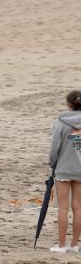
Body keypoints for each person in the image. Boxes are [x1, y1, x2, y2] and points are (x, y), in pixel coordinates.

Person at [48, 90, 81, 252]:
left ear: (69, 105)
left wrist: (52, 163)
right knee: (78, 207)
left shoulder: (61, 122)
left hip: (63, 168)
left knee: (63, 207)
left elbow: (54, 148)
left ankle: (61, 245)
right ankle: (74, 245)